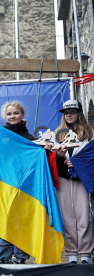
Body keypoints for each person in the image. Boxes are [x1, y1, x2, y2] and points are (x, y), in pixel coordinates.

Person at [53, 99, 94, 264]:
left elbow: (91, 158)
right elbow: (51, 159)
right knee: (67, 218)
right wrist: (58, 156)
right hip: (63, 179)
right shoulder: (57, 134)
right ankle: (71, 255)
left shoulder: (90, 133)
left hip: (82, 180)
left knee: (84, 217)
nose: (69, 115)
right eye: (66, 112)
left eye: (72, 112)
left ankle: (85, 254)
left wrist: (77, 163)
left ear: (79, 113)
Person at [0, 101, 35, 264]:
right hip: (4, 184)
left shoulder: (30, 138)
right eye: (9, 114)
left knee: (22, 221)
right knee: (4, 220)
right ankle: (3, 258)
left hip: (25, 186)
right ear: (5, 116)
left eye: (16, 113)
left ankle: (21, 258)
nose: (12, 116)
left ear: (22, 115)